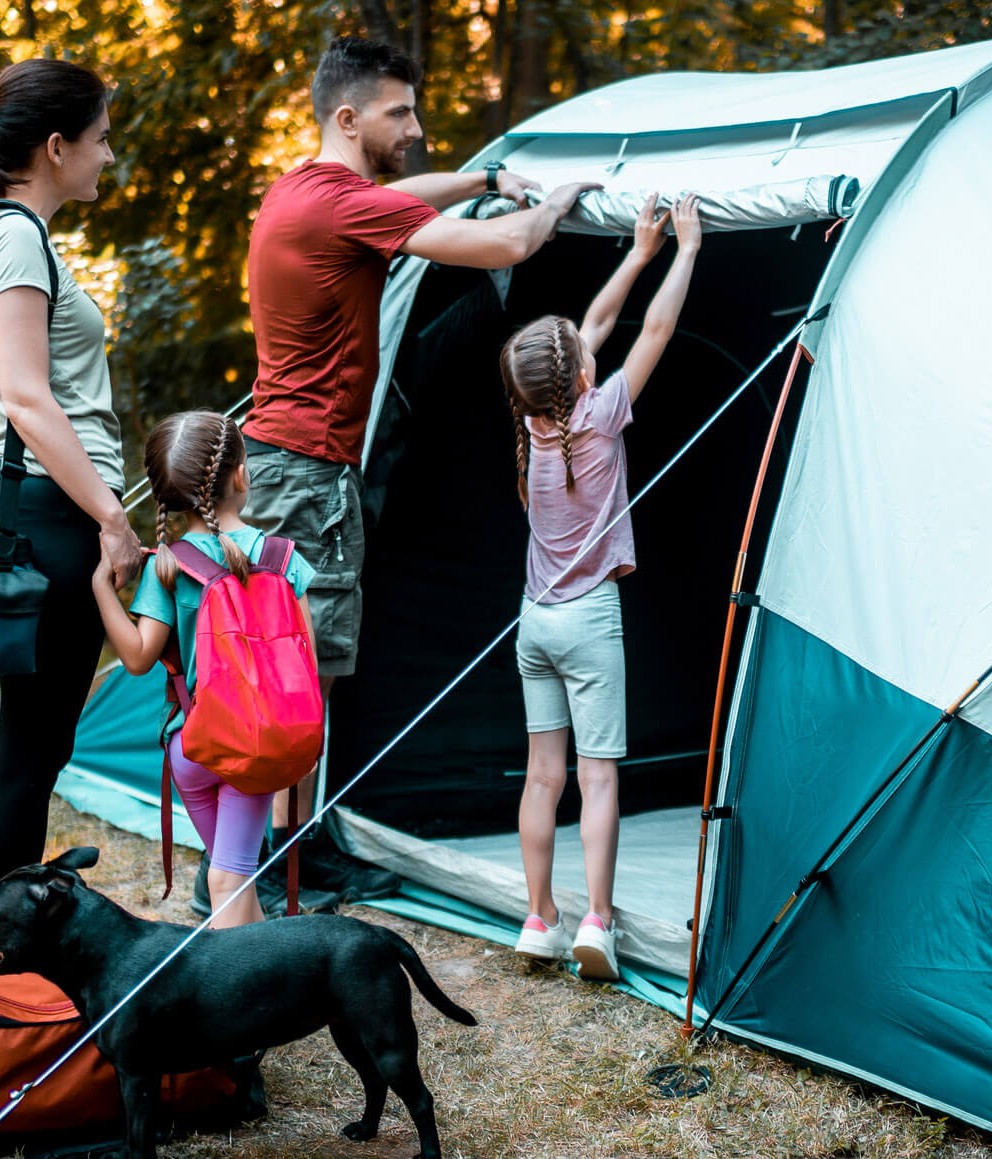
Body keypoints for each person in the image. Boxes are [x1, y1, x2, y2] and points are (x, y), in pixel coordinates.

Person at [223, 34, 599, 917]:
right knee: (301, 679)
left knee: (300, 673)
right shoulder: (337, 206)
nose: (417, 128)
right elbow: (506, 248)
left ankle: (294, 849)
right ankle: (279, 868)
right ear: (349, 118)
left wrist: (483, 178)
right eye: (401, 112)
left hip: (285, 466)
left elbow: (401, 198)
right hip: (307, 476)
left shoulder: (304, 190)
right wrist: (555, 205)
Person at [0, 59, 144, 953]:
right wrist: (111, 517)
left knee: (27, 751)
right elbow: (26, 398)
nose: (107, 156)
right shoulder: (11, 236)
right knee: (30, 760)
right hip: (52, 514)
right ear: (55, 146)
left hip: (31, 503)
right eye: (101, 138)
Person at [502, 192, 704, 982]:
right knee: (596, 777)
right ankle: (597, 919)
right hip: (589, 621)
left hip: (534, 622)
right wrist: (685, 250)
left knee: (542, 776)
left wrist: (639, 252)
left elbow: (592, 327)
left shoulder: (536, 423)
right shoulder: (604, 410)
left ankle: (538, 916)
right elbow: (650, 330)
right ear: (580, 375)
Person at [88, 411, 318, 929]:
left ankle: (264, 969)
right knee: (229, 881)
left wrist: (103, 588)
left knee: (235, 878)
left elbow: (138, 658)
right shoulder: (281, 559)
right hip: (253, 746)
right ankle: (241, 983)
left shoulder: (168, 565)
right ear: (241, 475)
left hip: (189, 746)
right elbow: (305, 668)